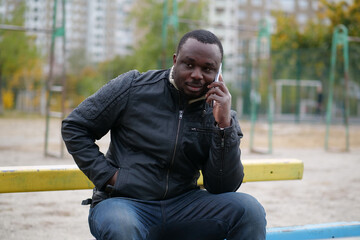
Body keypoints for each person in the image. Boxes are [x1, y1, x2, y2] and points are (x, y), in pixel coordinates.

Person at [62, 29, 266, 240]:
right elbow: (75, 126)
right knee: (122, 226)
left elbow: (223, 187)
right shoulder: (133, 87)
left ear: (218, 72)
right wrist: (109, 177)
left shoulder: (218, 113)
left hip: (184, 205)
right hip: (124, 203)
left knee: (248, 210)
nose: (197, 74)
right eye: (189, 64)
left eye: (207, 68)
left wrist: (223, 126)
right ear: (175, 60)